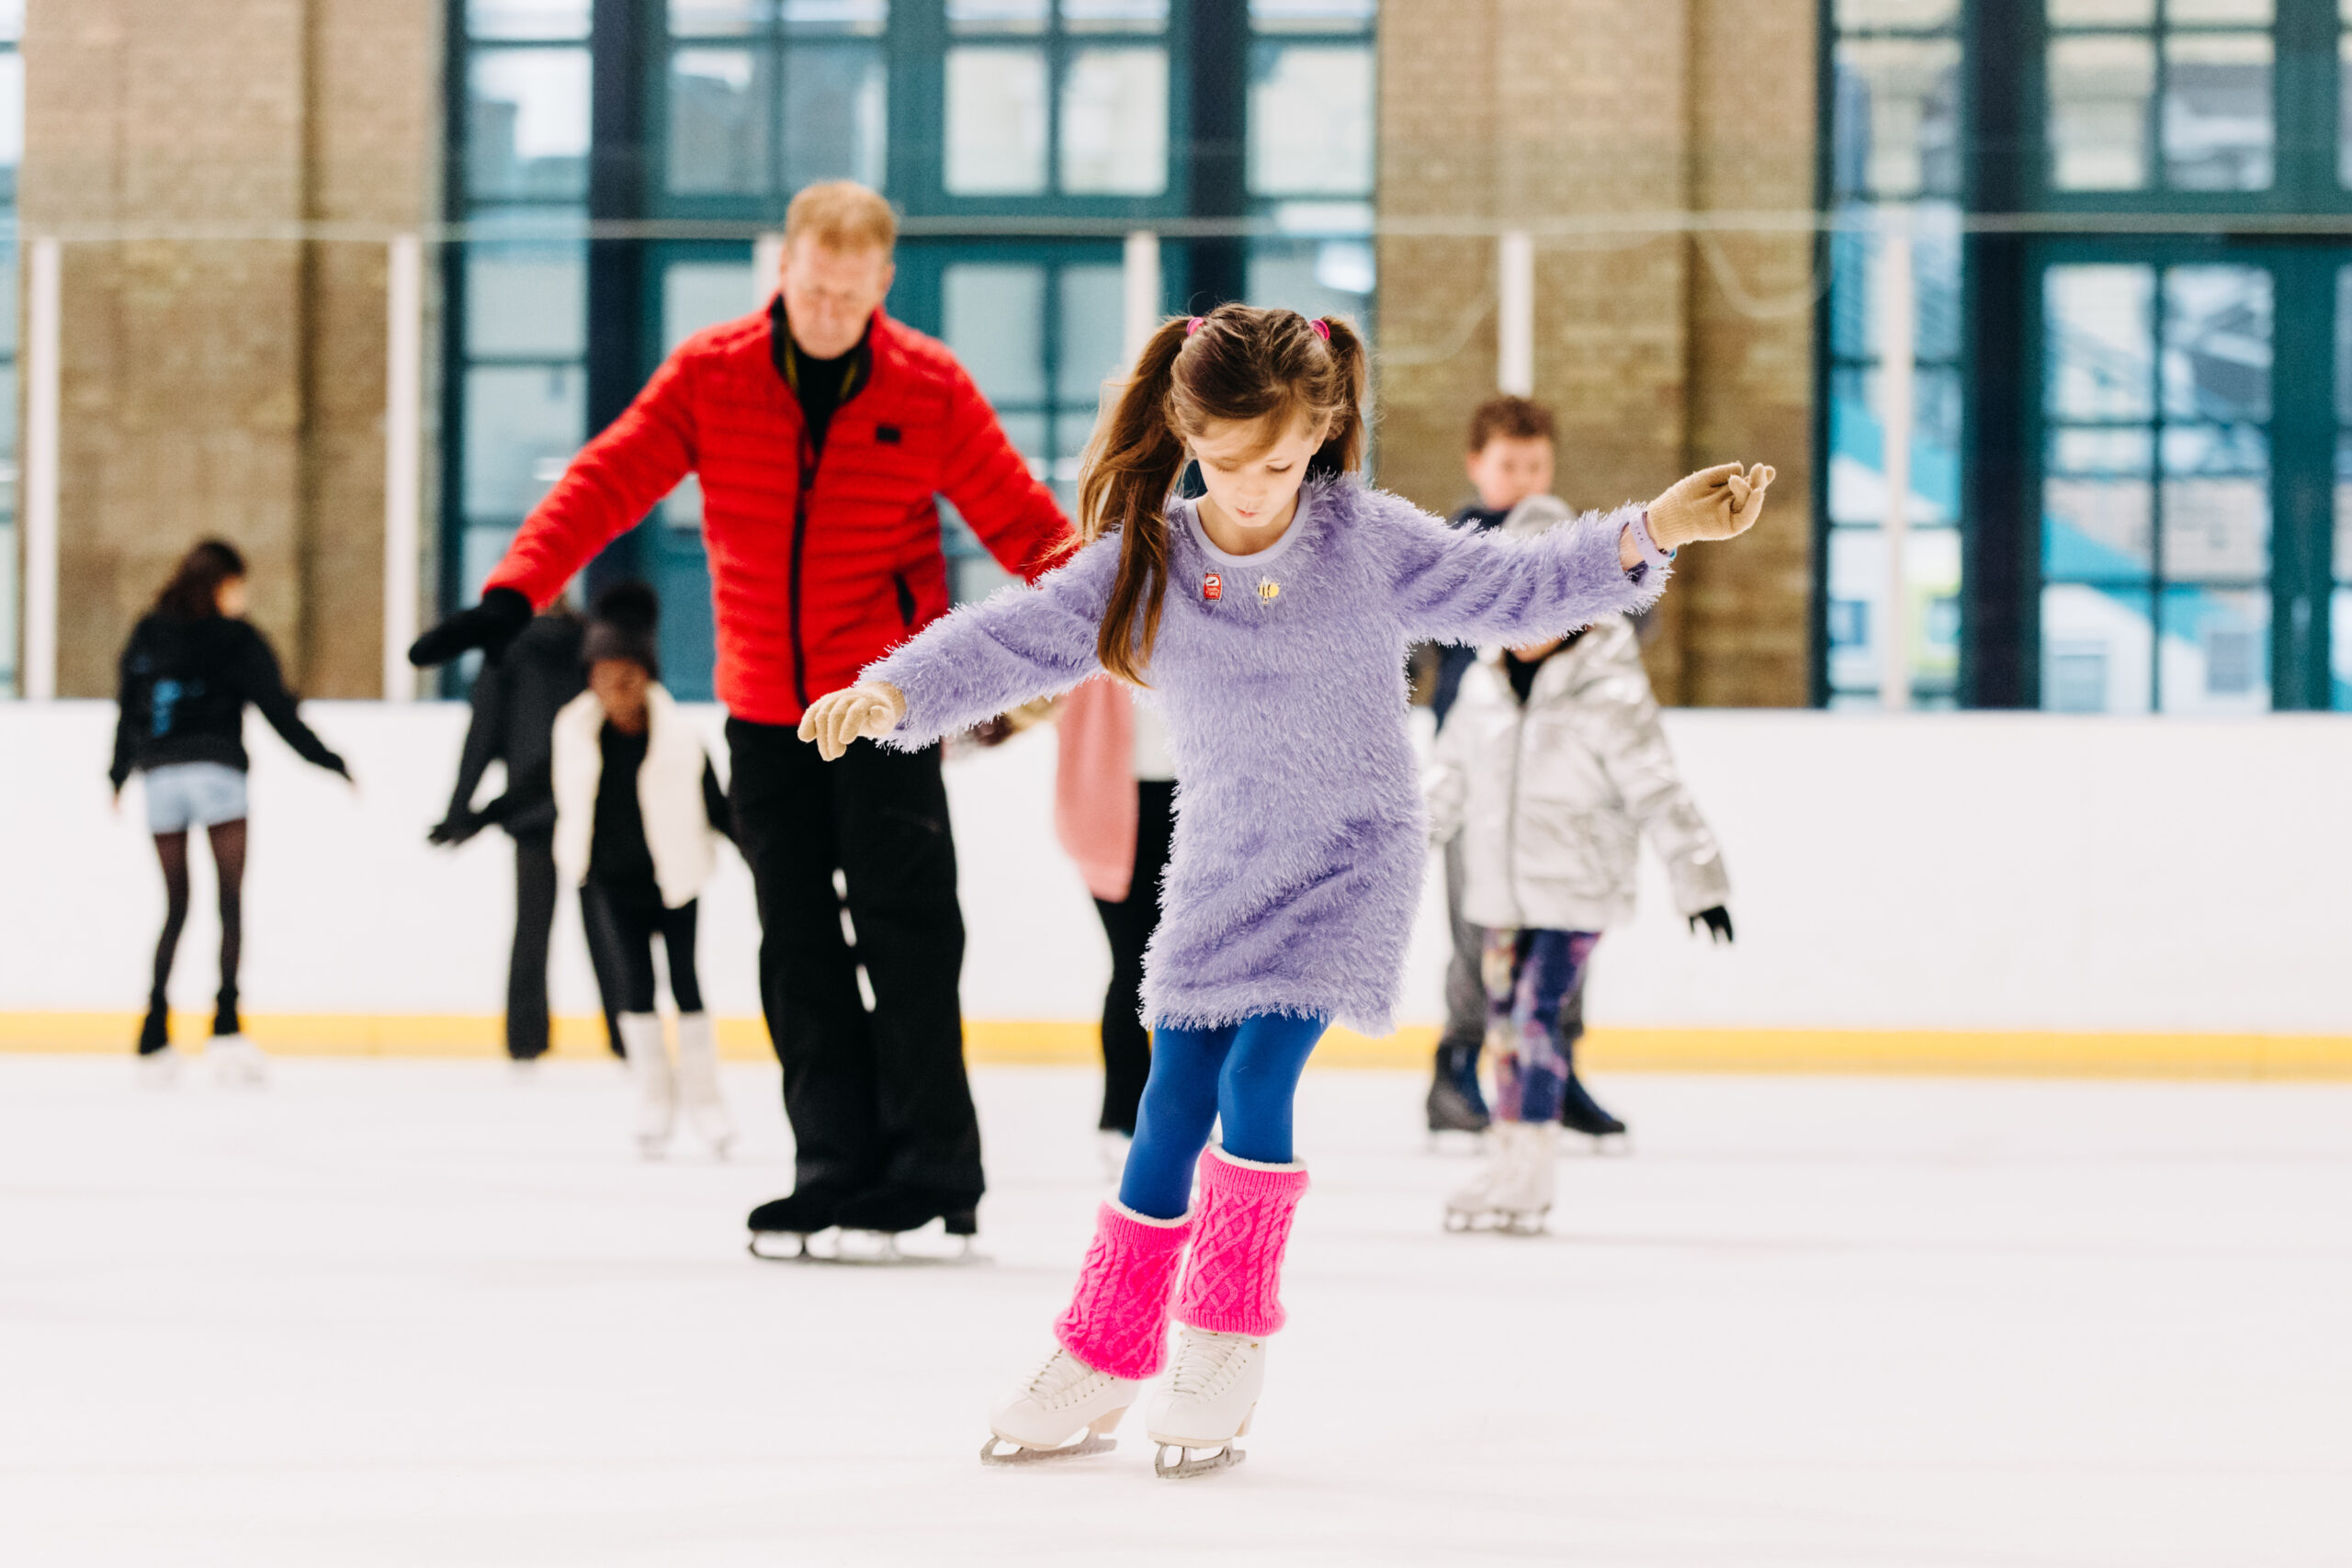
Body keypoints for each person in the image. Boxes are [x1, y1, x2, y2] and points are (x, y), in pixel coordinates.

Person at [797, 304, 1773, 1475]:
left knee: (1258, 1079)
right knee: (1168, 1105)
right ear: (1183, 432)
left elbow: (1514, 589)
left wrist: (1653, 528)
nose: (1252, 488)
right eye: (1222, 462)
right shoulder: (1148, 561)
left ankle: (1222, 1335)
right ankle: (1105, 1350)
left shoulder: (1364, 541)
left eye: (1278, 461)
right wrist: (894, 694)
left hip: (1350, 856)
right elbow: (1019, 637)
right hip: (1220, 862)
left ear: (1322, 430)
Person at [408, 182, 1071, 1242]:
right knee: (796, 943)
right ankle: (831, 1163)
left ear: (881, 284)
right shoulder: (715, 375)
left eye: (850, 297)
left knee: (908, 936)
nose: (827, 311)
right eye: (813, 289)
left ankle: (936, 1168)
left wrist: (1131, 616)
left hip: (887, 707)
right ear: (786, 269)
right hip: (765, 712)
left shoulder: (928, 386)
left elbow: (1029, 530)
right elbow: (607, 478)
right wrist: (514, 590)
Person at [1426, 503, 1736, 1232]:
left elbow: (1659, 790)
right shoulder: (1482, 685)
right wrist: (1398, 852)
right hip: (1499, 890)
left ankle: (1530, 1173)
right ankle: (1508, 1158)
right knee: (1502, 1024)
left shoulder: (1611, 688)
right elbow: (1447, 781)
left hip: (1575, 889)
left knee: (1538, 1019)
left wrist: (1701, 881)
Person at [110, 539, 352, 1087]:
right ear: (223, 585)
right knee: (229, 904)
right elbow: (279, 712)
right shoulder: (238, 639)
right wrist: (331, 761)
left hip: (161, 777)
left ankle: (153, 1031)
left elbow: (130, 707)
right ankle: (225, 1027)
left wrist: (119, 773)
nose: (243, 598)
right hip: (219, 774)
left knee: (175, 905)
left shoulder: (149, 632)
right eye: (239, 586)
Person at [1422, 394, 1566, 1135]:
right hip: (1472, 771)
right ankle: (1456, 1069)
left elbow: (1636, 617)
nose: (1525, 477)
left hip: (1553, 776)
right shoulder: (1448, 549)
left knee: (1560, 922)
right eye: (1510, 464)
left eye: (1536, 463)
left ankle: (1554, 1070)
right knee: (1478, 926)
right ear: (1477, 465)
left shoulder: (1573, 542)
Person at [551, 584, 736, 1158]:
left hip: (675, 881)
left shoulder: (683, 740)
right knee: (633, 989)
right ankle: (654, 1097)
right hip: (611, 884)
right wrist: (477, 815)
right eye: (604, 677)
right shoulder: (574, 734)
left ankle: (706, 1101)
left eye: (628, 676)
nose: (617, 689)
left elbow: (721, 812)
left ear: (648, 677)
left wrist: (770, 863)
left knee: (685, 985)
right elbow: (544, 790)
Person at [429, 598, 617, 1064]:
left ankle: (525, 1037)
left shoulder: (506, 649)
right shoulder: (591, 641)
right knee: (605, 926)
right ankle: (627, 1031)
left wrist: (458, 811)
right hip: (588, 804)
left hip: (530, 810)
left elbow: (483, 734)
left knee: (532, 927)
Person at [1053, 677, 1177, 1173]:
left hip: (1198, 796)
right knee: (1134, 968)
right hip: (1110, 807)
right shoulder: (1097, 609)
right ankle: (1123, 1116)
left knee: (1191, 976)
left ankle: (1182, 1115)